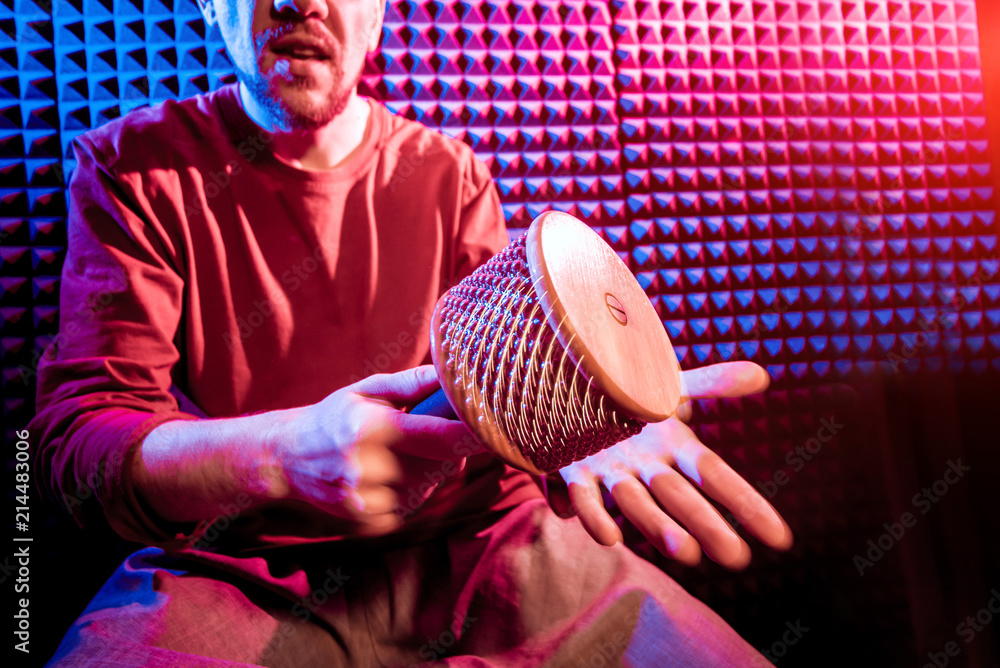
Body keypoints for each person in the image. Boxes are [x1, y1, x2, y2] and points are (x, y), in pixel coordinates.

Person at [31, 0, 793, 664]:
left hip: (483, 547)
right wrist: (280, 456)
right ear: (210, 3)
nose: (302, 1)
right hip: (242, 574)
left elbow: (517, 367)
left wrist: (582, 418)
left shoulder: (448, 172)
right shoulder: (131, 167)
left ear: (380, 15)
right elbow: (80, 446)